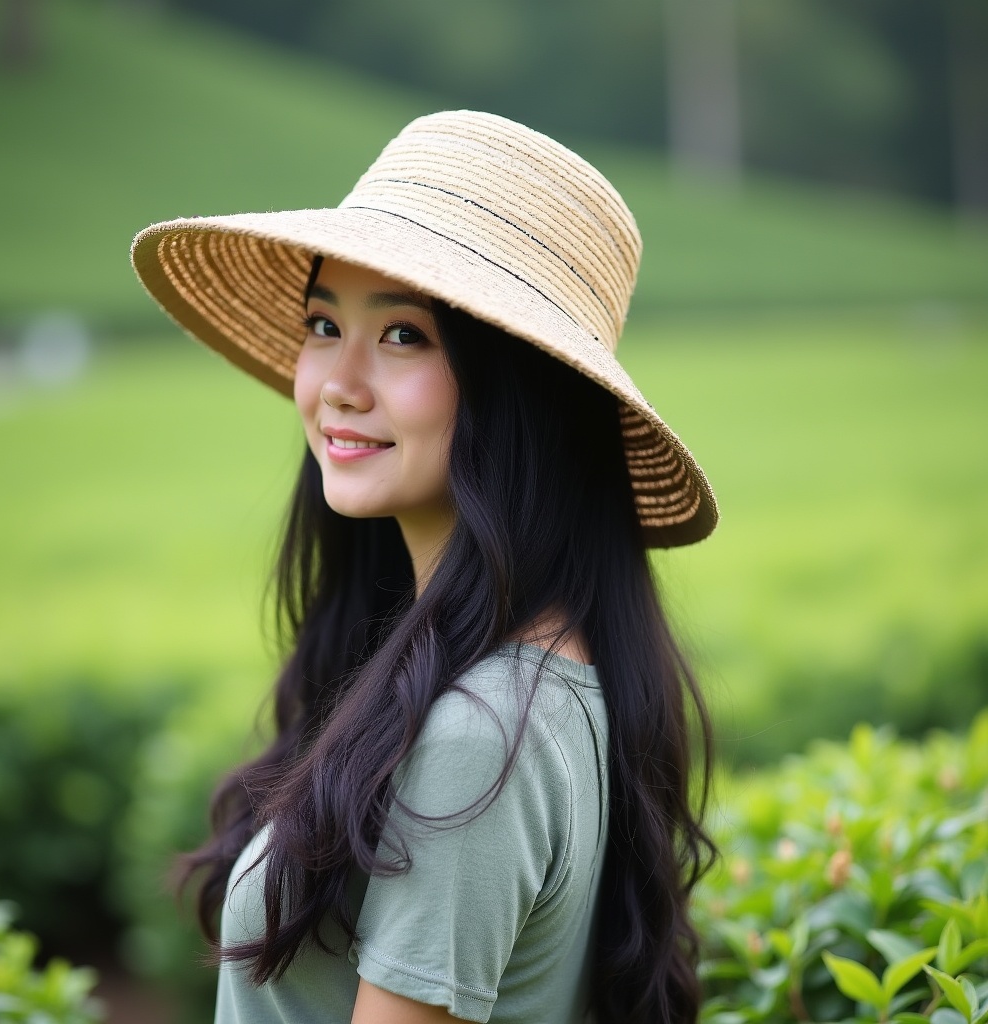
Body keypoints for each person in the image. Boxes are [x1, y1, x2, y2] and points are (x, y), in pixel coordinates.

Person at [131, 110, 719, 1024]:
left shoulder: (479, 738)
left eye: (403, 335)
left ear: (523, 392)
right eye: (323, 323)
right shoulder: (539, 678)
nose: (339, 383)